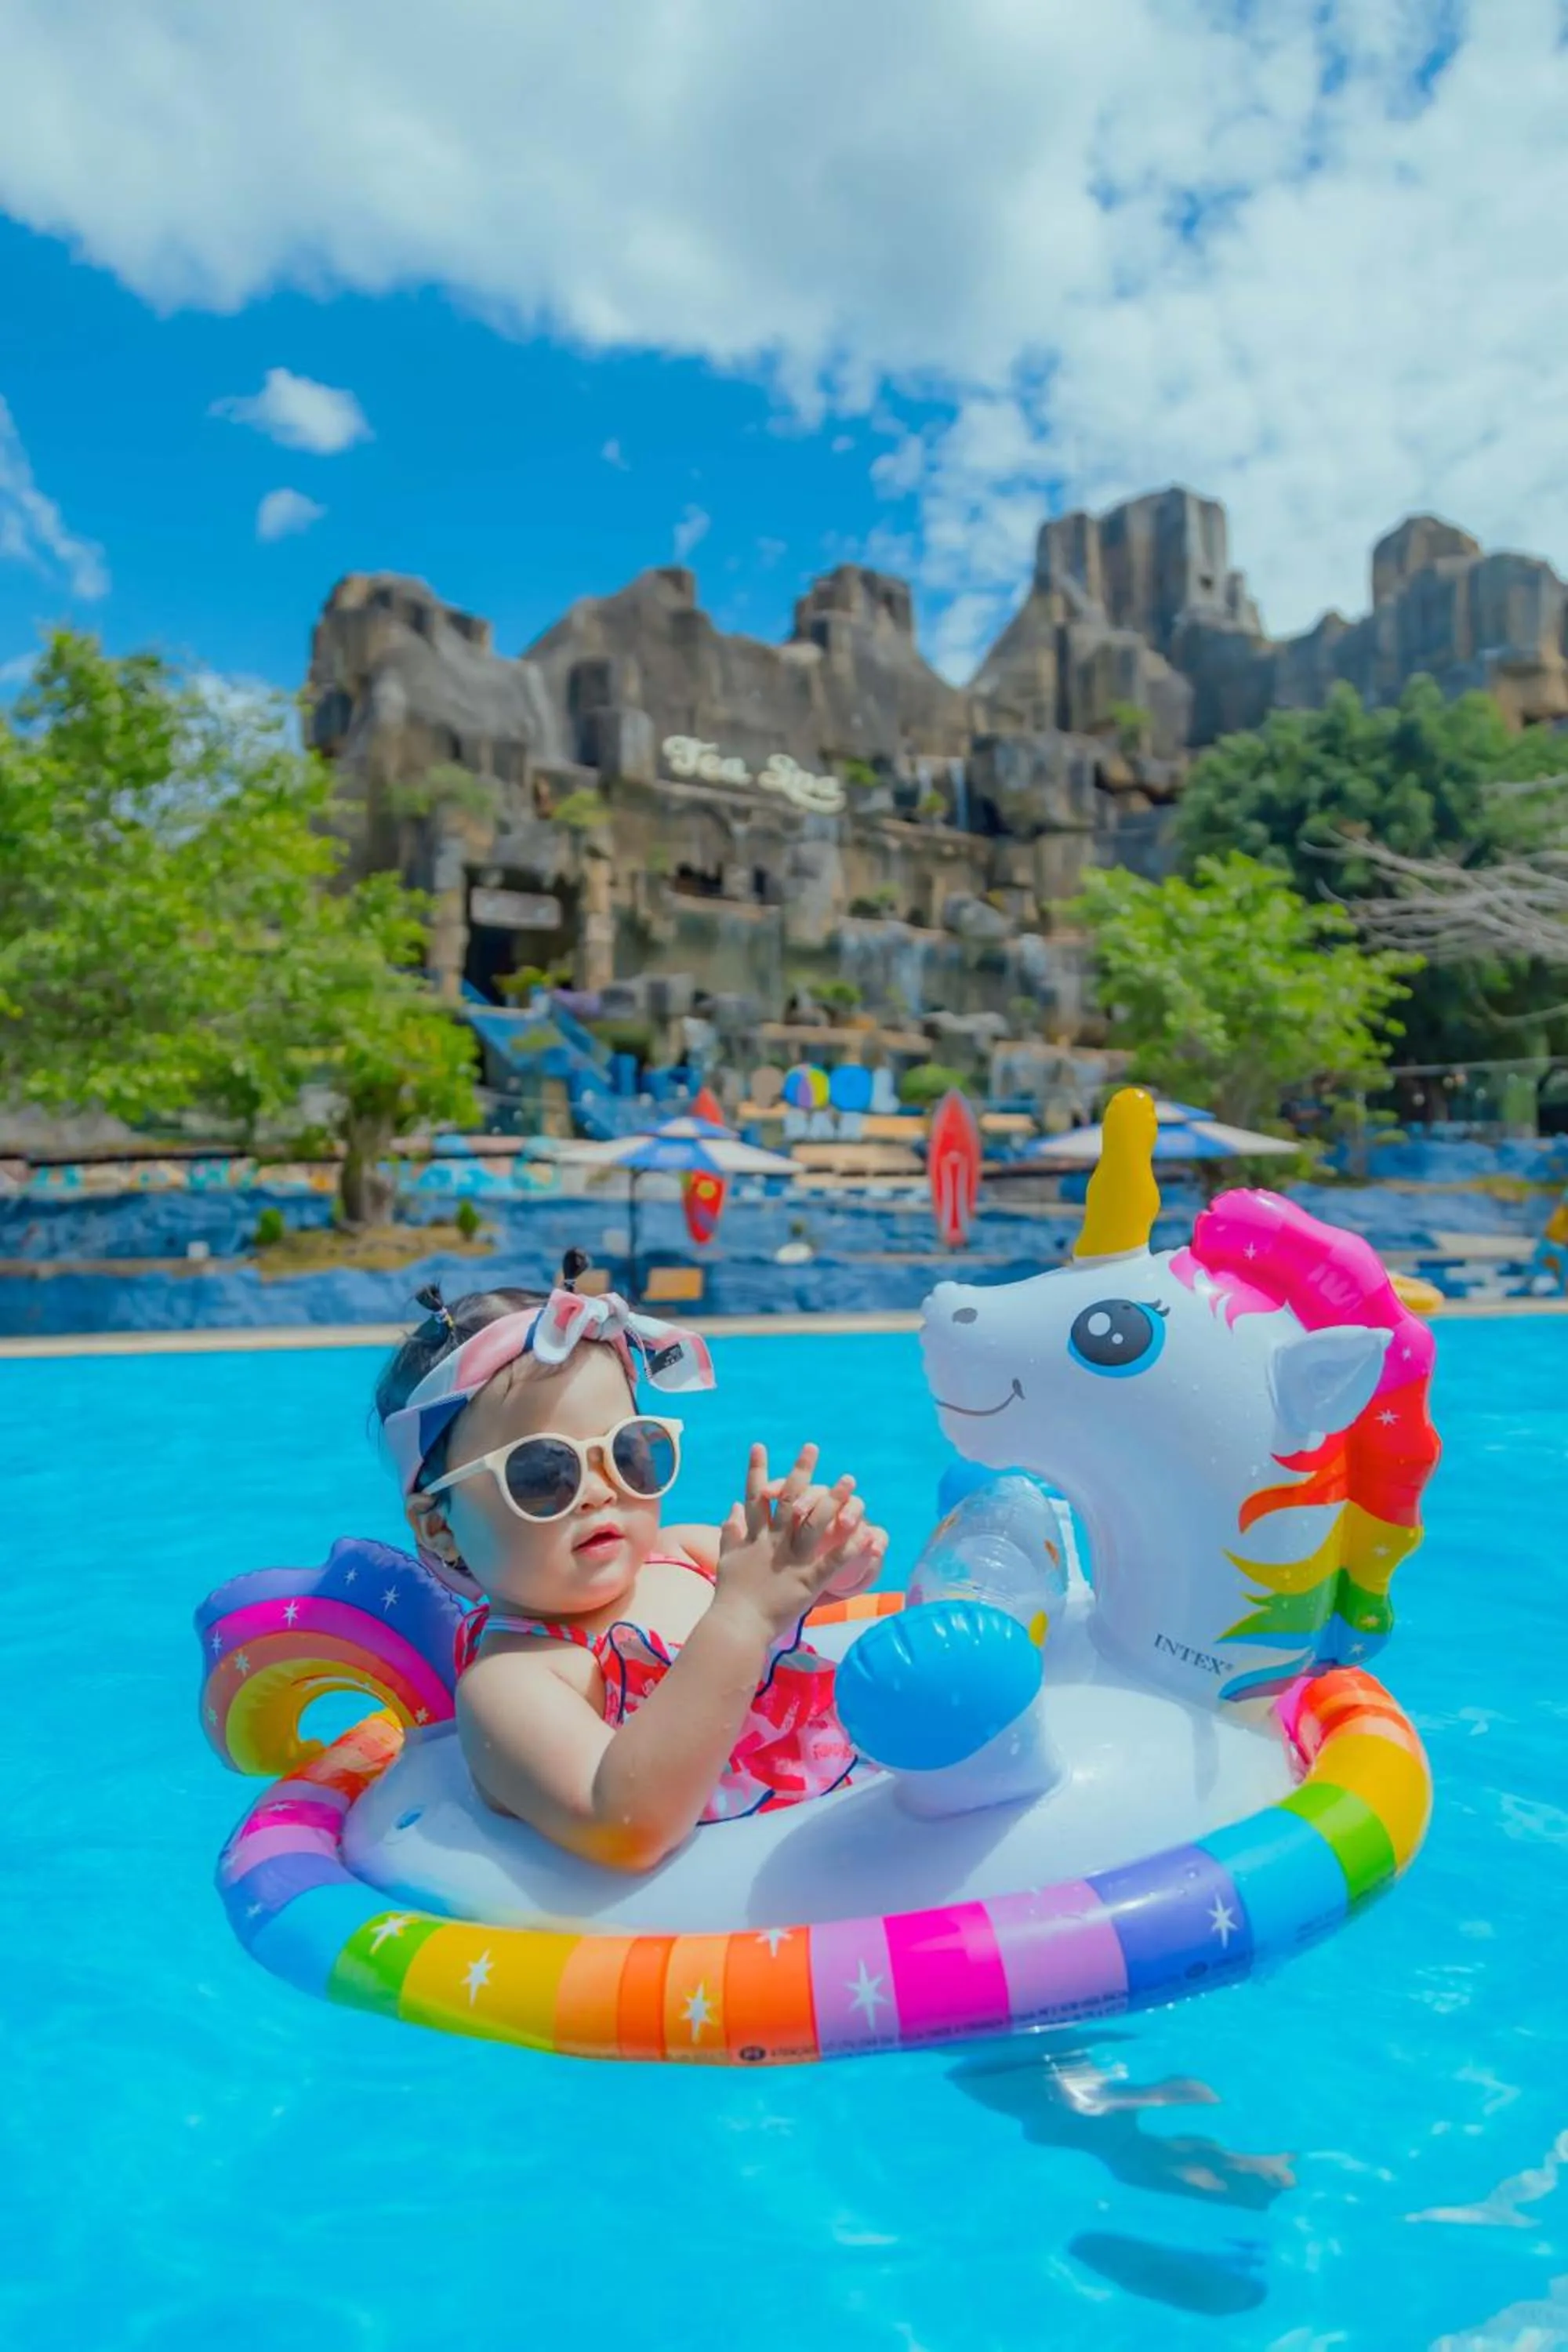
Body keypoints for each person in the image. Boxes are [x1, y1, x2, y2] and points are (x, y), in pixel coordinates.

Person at [376, 1254, 888, 1871]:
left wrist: (834, 1553)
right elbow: (627, 1827)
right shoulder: (510, 1684)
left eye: (627, 1453)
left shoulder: (687, 1552)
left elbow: (822, 1596)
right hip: (754, 1895)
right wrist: (739, 1621)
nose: (599, 1491)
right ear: (440, 1526)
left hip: (871, 1808)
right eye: (542, 1472)